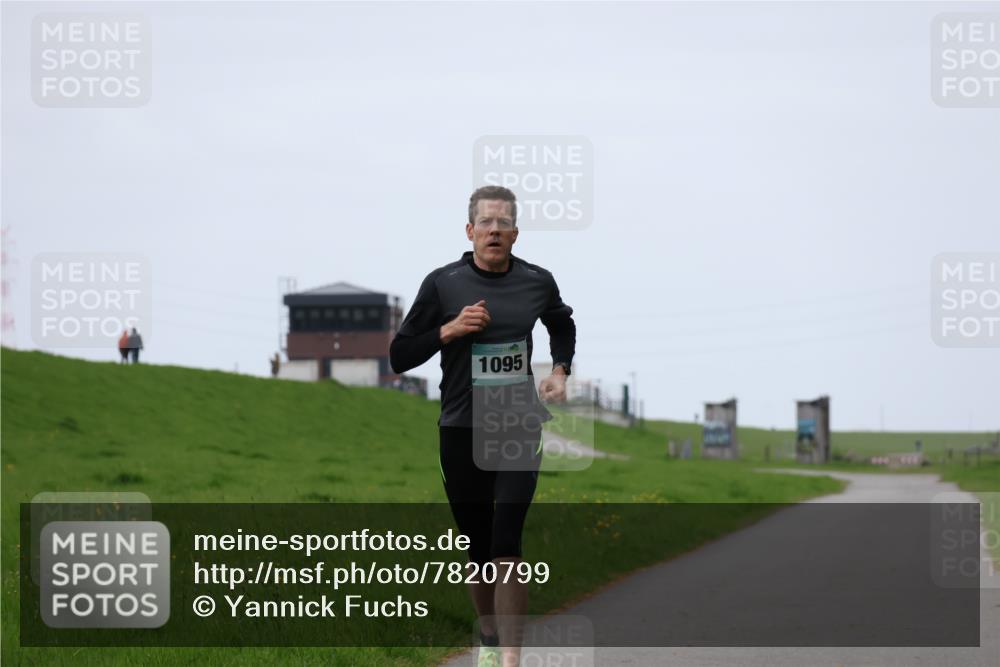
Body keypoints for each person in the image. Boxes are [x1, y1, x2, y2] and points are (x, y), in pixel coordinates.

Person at [390, 185, 575, 666]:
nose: (495, 230)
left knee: (506, 544)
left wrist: (558, 371)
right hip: (460, 428)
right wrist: (448, 330)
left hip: (517, 426)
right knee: (477, 548)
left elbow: (562, 323)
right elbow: (399, 355)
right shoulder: (442, 284)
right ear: (470, 231)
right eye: (486, 223)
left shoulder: (538, 281)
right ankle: (489, 639)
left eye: (504, 223)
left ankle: (510, 659)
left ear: (515, 233)